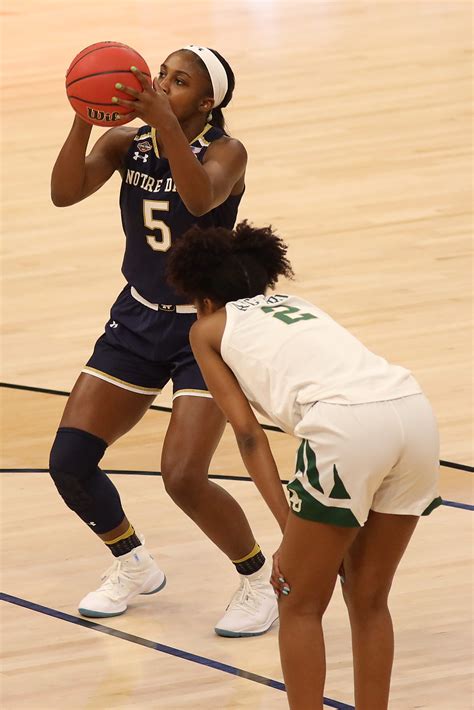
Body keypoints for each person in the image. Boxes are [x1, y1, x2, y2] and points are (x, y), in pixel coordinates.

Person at [48, 45, 278, 637]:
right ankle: (134, 563)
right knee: (69, 462)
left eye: (178, 82)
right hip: (139, 315)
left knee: (182, 476)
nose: (160, 85)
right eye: (161, 75)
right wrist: (85, 113)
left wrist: (164, 122)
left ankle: (259, 580)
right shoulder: (128, 143)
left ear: (206, 102)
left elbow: (201, 198)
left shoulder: (228, 151)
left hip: (207, 328)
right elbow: (64, 194)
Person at [166, 221, 442, 710]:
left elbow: (250, 437)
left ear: (203, 298)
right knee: (369, 598)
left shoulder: (206, 328)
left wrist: (288, 529)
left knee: (296, 601)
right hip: (414, 413)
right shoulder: (302, 306)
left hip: (349, 429)